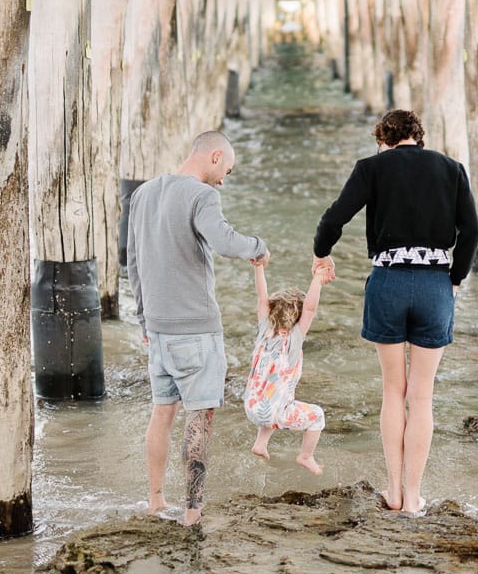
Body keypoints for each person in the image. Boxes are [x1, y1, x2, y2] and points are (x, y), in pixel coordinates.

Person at [312, 109, 478, 515]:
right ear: (418, 137)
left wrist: (322, 253)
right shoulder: (452, 168)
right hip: (434, 285)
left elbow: (335, 217)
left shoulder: (372, 167)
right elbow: (471, 231)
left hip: (387, 281)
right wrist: (454, 279)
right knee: (422, 396)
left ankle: (392, 491)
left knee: (393, 391)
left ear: (382, 139)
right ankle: (414, 497)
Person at [126, 129, 268, 526]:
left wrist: (143, 319)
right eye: (227, 170)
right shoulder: (203, 195)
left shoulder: (143, 194)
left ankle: (155, 502)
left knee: (161, 413)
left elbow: (132, 263)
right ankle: (192, 511)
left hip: (157, 330)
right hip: (196, 330)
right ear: (215, 156)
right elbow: (224, 242)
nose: (224, 179)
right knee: (199, 417)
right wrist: (258, 247)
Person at [243, 258, 333, 475]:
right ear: (298, 316)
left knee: (271, 397)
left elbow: (261, 298)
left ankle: (260, 443)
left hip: (251, 407)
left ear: (272, 310)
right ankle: (306, 456)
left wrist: (258, 268)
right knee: (317, 416)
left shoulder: (264, 331)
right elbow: (310, 308)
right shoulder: (294, 340)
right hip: (273, 414)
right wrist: (317, 281)